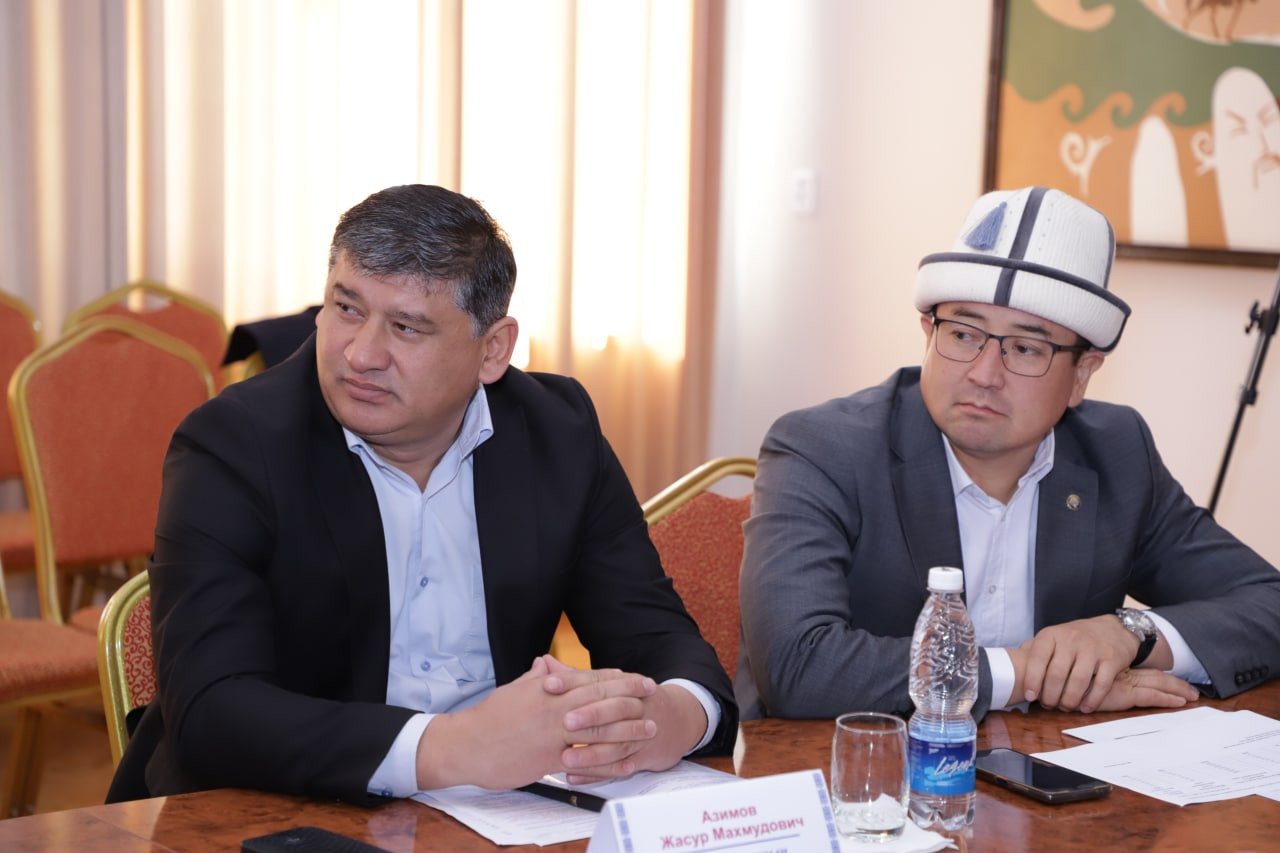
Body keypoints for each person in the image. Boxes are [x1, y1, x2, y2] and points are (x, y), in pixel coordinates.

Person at [107, 184, 736, 804]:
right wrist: (451, 748)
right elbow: (212, 711)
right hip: (272, 807)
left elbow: (655, 635)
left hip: (498, 812)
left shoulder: (558, 432)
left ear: (492, 350)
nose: (361, 354)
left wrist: (669, 719)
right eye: (347, 308)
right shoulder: (233, 444)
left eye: (406, 327)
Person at [736, 185, 1280, 722]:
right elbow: (797, 664)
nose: (984, 373)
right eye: (963, 334)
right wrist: (1025, 674)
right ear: (928, 334)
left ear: (1082, 375)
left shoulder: (1117, 452)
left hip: (1048, 770)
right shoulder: (824, 449)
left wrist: (1130, 633)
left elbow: (1266, 601)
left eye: (1025, 348)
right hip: (855, 767)